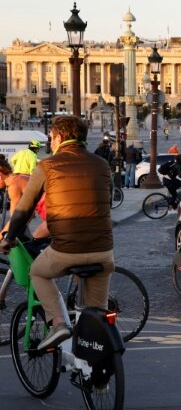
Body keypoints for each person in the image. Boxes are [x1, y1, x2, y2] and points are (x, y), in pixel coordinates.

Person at [0, 115, 114, 350]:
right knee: (98, 316)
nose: (50, 143)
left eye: (51, 138)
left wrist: (9, 238)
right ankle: (99, 376)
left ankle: (59, 323)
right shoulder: (102, 164)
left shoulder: (47, 166)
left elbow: (23, 210)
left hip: (67, 249)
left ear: (60, 137)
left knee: (38, 272)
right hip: (104, 251)